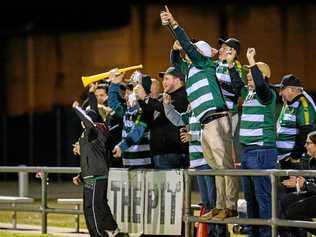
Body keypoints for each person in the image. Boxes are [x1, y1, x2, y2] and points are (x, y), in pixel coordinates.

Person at [161, 7, 239, 220]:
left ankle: (229, 206)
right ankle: (219, 205)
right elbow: (176, 60)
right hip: (206, 122)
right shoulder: (190, 69)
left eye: (193, 50)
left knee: (224, 165)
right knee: (215, 167)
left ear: (200, 53)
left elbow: (186, 45)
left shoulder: (204, 63)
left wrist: (174, 24)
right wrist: (171, 36)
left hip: (217, 118)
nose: (189, 52)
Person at [229, 48, 277, 237]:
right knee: (250, 198)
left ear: (263, 76)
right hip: (248, 152)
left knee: (263, 197)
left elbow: (260, 84)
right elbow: (236, 84)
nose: (248, 76)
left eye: (252, 73)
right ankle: (254, 232)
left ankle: (266, 234)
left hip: (261, 151)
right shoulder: (249, 93)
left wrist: (251, 60)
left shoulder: (268, 94)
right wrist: (231, 64)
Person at [163, 95, 217, 237]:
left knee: (213, 203)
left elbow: (215, 133)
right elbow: (178, 120)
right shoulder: (192, 108)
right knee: (206, 203)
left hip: (208, 161)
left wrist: (193, 136)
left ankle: (217, 233)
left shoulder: (207, 107)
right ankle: (210, 233)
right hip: (198, 162)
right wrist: (167, 105)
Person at [72, 95, 119, 237]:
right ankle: (112, 229)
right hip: (91, 176)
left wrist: (77, 108)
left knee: (92, 209)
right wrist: (81, 176)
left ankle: (99, 234)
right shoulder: (87, 135)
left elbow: (88, 121)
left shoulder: (95, 130)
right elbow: (90, 158)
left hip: (96, 176)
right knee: (97, 206)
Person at [137, 66, 189, 169]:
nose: (163, 82)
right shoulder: (166, 96)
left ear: (178, 80)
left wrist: (146, 98)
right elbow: (150, 110)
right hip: (162, 153)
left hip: (172, 153)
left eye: (167, 79)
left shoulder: (184, 95)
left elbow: (166, 110)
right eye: (163, 79)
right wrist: (140, 98)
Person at [108, 69, 152, 168]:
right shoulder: (126, 110)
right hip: (128, 162)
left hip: (142, 164)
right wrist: (114, 84)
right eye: (125, 94)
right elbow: (112, 102)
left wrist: (121, 146)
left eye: (130, 93)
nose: (126, 97)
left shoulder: (144, 109)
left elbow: (137, 132)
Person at [279, 131, 316, 237]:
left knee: (292, 211)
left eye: (308, 143)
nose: (305, 146)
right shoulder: (312, 160)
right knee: (286, 200)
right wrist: (299, 182)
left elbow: (309, 185)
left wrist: (305, 184)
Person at [275, 74, 316, 169]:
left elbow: (306, 132)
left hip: (296, 161)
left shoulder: (304, 104)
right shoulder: (288, 103)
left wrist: (295, 156)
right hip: (285, 159)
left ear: (291, 90)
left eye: (282, 90)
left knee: (299, 184)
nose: (280, 93)